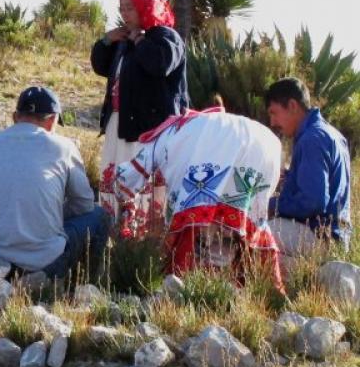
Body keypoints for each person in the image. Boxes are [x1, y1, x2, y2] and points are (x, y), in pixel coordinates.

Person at [0, 87, 108, 281]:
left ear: (15, 116)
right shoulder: (64, 147)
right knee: (99, 216)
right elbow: (84, 205)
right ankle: (77, 285)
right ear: (52, 120)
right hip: (44, 262)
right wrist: (56, 214)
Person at [114, 107, 284, 290]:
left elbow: (127, 178)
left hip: (220, 155)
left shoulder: (163, 136)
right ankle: (250, 291)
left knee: (196, 230)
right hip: (264, 146)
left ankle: (186, 287)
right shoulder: (192, 126)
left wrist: (122, 205)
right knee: (235, 233)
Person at [91, 0, 188, 238]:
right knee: (115, 182)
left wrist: (141, 41)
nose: (125, 14)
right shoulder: (125, 40)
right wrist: (106, 40)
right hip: (119, 125)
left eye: (130, 8)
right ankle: (113, 234)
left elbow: (160, 63)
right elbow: (101, 65)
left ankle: (144, 243)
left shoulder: (166, 37)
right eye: (122, 8)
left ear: (146, 7)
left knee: (143, 185)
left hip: (149, 131)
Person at [265, 78, 352, 264]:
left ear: (292, 105)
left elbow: (313, 202)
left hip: (321, 239)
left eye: (274, 113)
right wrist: (290, 177)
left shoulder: (311, 139)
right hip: (338, 241)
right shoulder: (331, 134)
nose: (272, 122)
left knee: (256, 233)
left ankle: (311, 280)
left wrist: (270, 206)